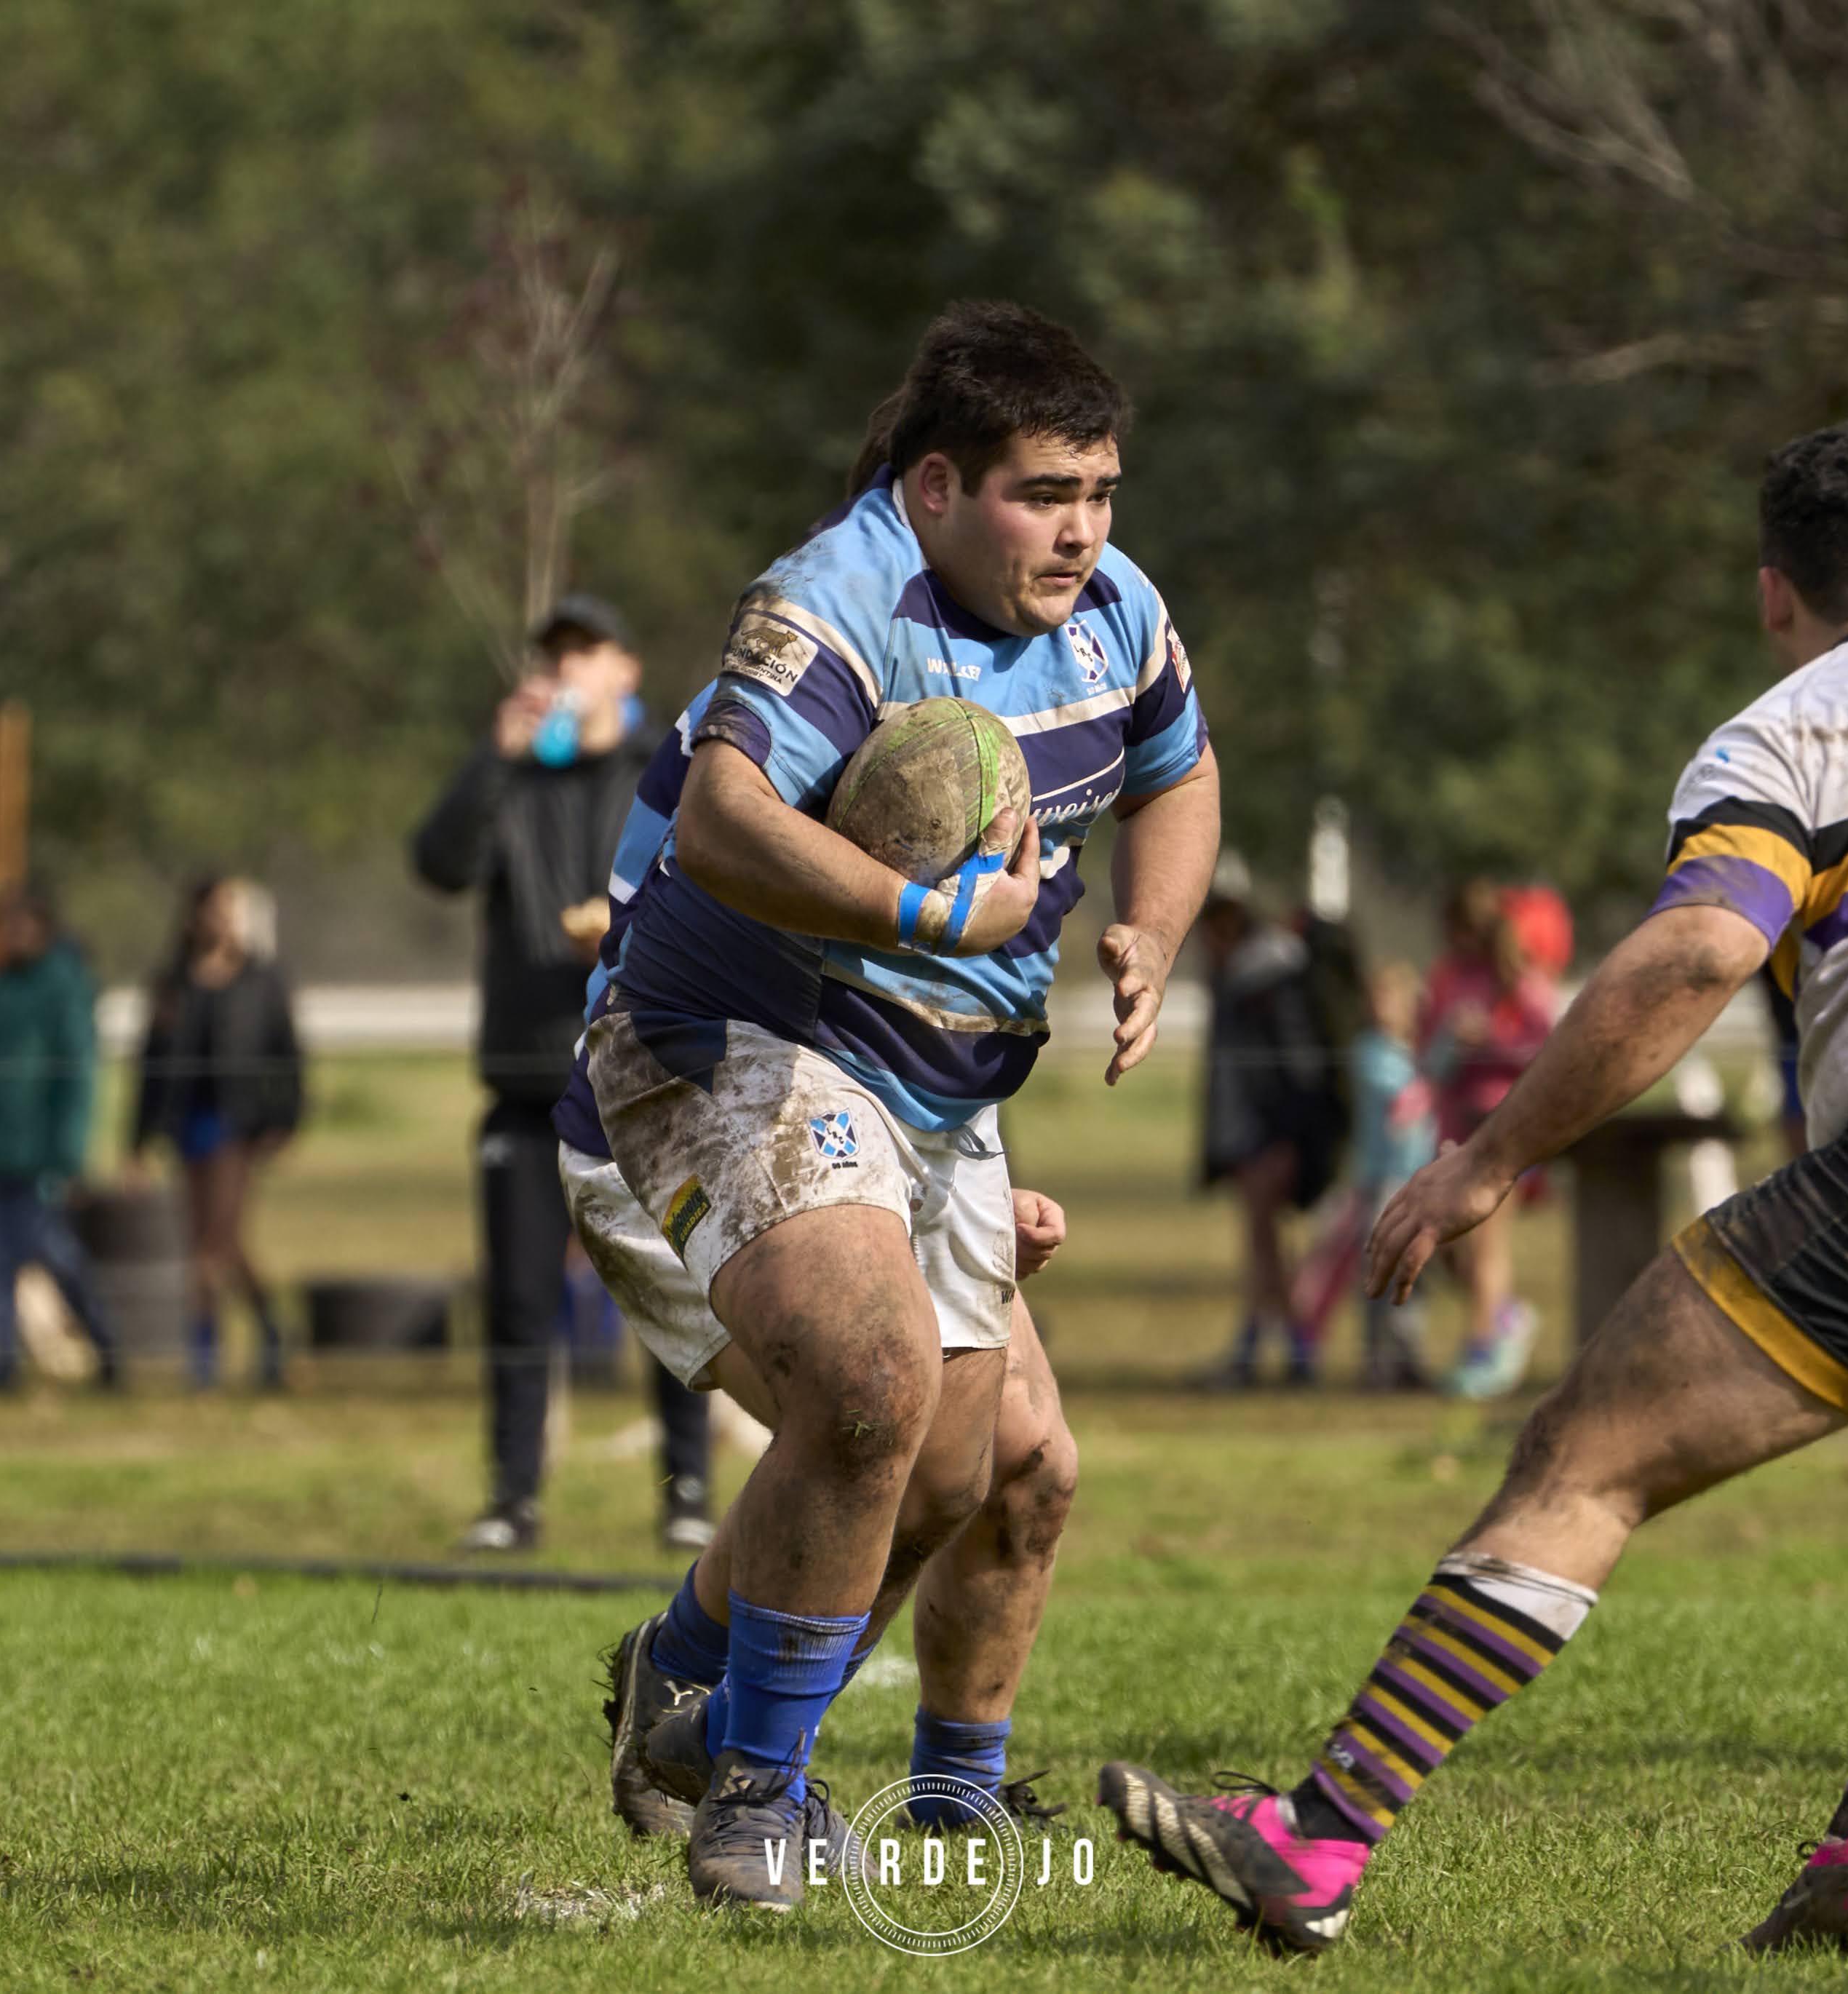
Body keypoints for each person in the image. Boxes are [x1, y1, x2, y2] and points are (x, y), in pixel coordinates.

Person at [1098, 421, 1848, 1957]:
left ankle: (1318, 1835)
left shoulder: (1789, 727)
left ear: (1775, 595)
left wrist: (1487, 1159)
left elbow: (1700, 947)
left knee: (1586, 1457)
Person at [587, 299, 1218, 1910]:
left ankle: (818, 1746)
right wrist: (936, 916)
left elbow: (1179, 767)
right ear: (935, 486)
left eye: (1101, 492)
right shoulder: (832, 602)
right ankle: (759, 1799)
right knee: (868, 1378)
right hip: (724, 1039)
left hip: (935, 1089)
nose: (1080, 531)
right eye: (1041, 493)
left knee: (999, 1468)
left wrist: (1153, 924)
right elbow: (726, 820)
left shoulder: (1119, 610)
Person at [565, 681, 1080, 1851]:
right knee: (872, 1416)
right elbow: (710, 981)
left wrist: (973, 1188)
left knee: (1026, 1462)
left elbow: (917, 1016)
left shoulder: (989, 699)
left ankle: (947, 1794)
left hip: (883, 1130)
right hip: (716, 1112)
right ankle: (751, 1759)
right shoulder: (783, 715)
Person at [410, 595, 713, 1554]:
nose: (564, 668)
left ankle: (687, 1490)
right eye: (553, 653)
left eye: (585, 651)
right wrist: (495, 755)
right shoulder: (513, 777)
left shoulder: (658, 772)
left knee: (668, 1285)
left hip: (640, 1077)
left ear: (624, 670)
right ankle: (512, 1497)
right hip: (525, 1084)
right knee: (517, 1299)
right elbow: (439, 863)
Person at [130, 877, 303, 1389]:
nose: (225, 920)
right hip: (188, 1124)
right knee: (218, 1244)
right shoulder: (173, 984)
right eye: (216, 910)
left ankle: (203, 1356)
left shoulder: (263, 979)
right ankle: (269, 1330)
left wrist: (285, 1119)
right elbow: (151, 1065)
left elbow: (288, 1055)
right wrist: (137, 1141)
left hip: (239, 1125)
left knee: (212, 1244)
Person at [0, 880, 118, 1390]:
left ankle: (107, 1345)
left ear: (43, 930)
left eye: (21, 926)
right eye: (6, 927)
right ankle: (2, 1364)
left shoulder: (65, 986)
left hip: (38, 1153)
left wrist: (67, 1154)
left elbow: (79, 1075)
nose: (11, 936)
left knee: (55, 1254)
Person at [1196, 857, 1347, 1388]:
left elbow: (1294, 1068)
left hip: (1271, 1135)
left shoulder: (1264, 980)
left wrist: (1286, 1136)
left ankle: (1273, 1348)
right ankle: (1275, 1345)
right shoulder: (1250, 977)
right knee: (1268, 1244)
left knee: (1266, 1246)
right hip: (1257, 1135)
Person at [1418, 878, 1558, 1398]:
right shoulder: (1445, 978)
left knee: (1486, 1243)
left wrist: (1489, 1042)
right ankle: (1504, 1318)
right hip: (1455, 1129)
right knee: (1447, 1245)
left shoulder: (1519, 982)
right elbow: (1425, 1047)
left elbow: (1547, 1049)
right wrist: (1448, 1044)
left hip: (1506, 1129)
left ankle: (1481, 1350)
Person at [1290, 960, 1438, 1390]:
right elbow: (1408, 1094)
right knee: (1379, 1272)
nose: (1380, 1007)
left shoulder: (1414, 1052)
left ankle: (1408, 1355)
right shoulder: (1370, 1052)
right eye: (1374, 999)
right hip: (1380, 1183)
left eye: (1389, 998)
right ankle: (1378, 1362)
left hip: (1417, 1179)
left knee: (1414, 1272)